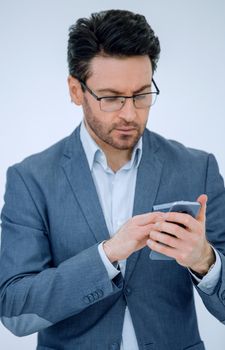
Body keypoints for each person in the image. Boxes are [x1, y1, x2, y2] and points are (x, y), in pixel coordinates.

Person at [0, 9, 225, 350]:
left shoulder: (198, 168)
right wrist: (106, 256)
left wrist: (204, 261)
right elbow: (15, 311)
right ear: (76, 90)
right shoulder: (31, 180)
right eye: (111, 98)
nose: (130, 113)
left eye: (141, 94)